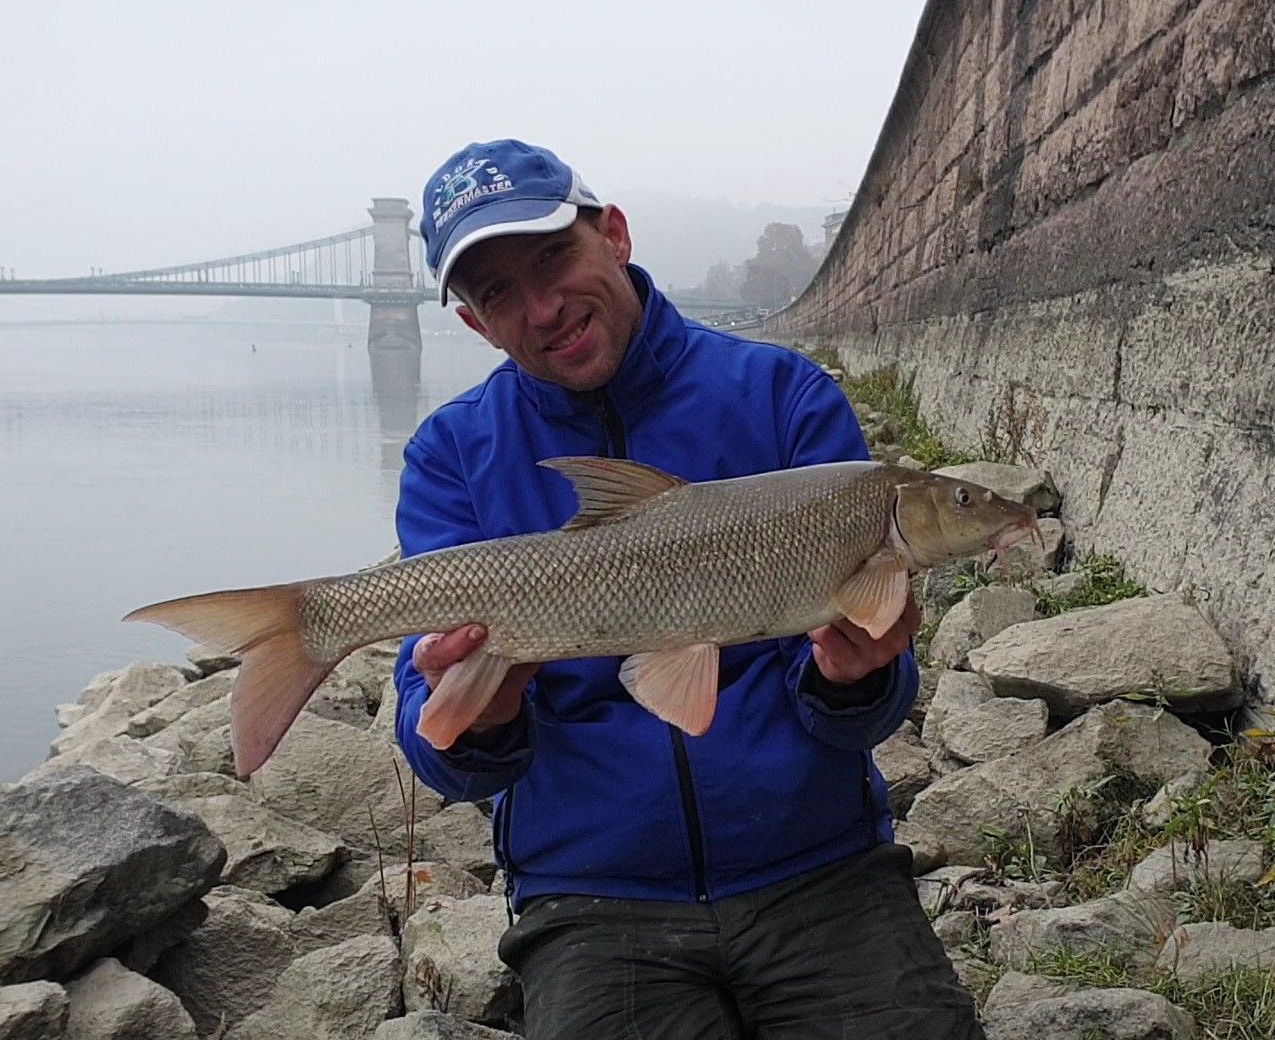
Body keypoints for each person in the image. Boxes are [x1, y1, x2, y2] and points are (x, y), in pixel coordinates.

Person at [390, 138, 985, 1040]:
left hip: (818, 868)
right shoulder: (451, 456)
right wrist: (481, 716)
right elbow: (436, 746)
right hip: (593, 899)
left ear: (615, 236)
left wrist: (854, 677)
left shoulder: (783, 395)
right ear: (476, 325)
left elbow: (869, 710)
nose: (543, 308)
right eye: (498, 292)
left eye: (554, 257)